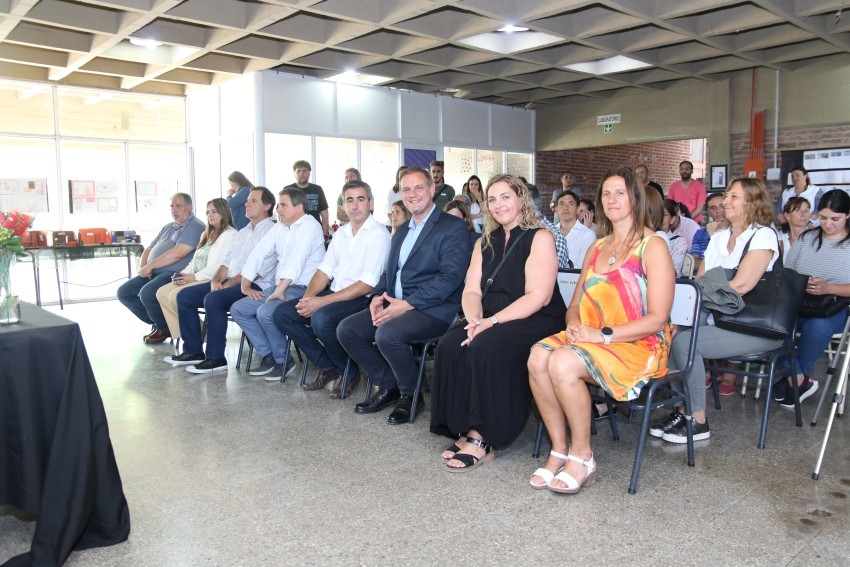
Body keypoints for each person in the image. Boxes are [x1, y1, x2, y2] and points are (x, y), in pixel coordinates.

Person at [527, 166, 674, 493]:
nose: (612, 199)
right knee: (538, 356)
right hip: (592, 338)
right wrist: (575, 325)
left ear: (635, 198)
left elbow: (658, 318)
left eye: (620, 192)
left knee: (562, 361)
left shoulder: (653, 246)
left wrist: (601, 335)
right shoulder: (597, 246)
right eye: (606, 193)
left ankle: (583, 456)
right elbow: (575, 303)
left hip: (638, 344)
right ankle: (558, 449)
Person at [430, 174, 565, 472]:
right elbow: (472, 290)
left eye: (506, 196)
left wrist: (490, 322)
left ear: (521, 199)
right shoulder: (484, 241)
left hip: (537, 317)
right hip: (490, 315)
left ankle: (483, 438)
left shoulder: (540, 236)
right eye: (492, 199)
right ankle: (463, 428)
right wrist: (474, 318)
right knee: (451, 344)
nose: (498, 204)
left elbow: (538, 297)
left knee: (486, 347)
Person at [650, 178, 781, 442]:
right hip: (719, 318)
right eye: (726, 197)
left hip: (755, 324)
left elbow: (741, 285)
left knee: (687, 343)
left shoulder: (763, 235)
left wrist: (699, 299)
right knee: (671, 335)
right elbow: (699, 283)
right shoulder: (719, 237)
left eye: (734, 197)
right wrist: (685, 313)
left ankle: (697, 419)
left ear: (753, 203)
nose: (724, 202)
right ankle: (682, 408)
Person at [337, 166, 470, 424]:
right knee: (347, 330)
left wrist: (406, 305)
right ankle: (389, 386)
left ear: (432, 190)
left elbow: (449, 279)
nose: (412, 194)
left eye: (419, 187)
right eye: (406, 189)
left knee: (388, 334)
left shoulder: (451, 227)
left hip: (434, 310)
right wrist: (378, 296)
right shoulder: (402, 229)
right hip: (395, 304)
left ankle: (411, 395)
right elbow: (391, 272)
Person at [273, 181, 391, 398]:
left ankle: (349, 371)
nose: (355, 206)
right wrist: (308, 299)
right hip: (337, 294)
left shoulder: (378, 234)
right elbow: (324, 270)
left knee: (322, 320)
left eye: (360, 199)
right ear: (343, 206)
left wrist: (321, 302)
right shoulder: (341, 233)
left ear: (371, 203)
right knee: (282, 313)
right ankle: (328, 366)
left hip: (361, 298)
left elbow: (367, 284)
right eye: (349, 200)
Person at [168, 187, 277, 373]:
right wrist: (217, 280)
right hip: (231, 279)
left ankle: (216, 358)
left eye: (253, 200)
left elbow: (258, 271)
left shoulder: (273, 231)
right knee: (185, 296)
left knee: (214, 299)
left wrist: (227, 285)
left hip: (255, 284)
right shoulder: (243, 232)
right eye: (247, 200)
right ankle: (193, 351)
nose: (246, 203)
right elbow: (227, 261)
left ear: (267, 206)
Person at [231, 187, 325, 379]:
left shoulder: (310, 225)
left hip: (305, 289)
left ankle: (283, 361)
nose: (278, 209)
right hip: (281, 287)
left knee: (265, 311)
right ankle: (269, 356)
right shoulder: (279, 227)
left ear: (299, 207)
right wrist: (245, 285)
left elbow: (296, 261)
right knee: (239, 309)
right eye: (279, 205)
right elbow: (258, 252)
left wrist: (280, 291)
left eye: (283, 205)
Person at [777, 189, 850, 407]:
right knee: (775, 326)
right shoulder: (807, 238)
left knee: (816, 327)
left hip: (836, 306)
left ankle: (792, 378)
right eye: (823, 218)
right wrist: (801, 283)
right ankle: (798, 379)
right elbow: (786, 272)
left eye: (835, 219)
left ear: (848, 215)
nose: (828, 224)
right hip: (800, 302)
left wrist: (830, 287)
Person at [117, 193, 205, 344]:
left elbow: (178, 253)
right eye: (172, 206)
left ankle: (164, 328)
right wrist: (144, 266)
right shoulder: (168, 227)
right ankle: (161, 323)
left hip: (173, 273)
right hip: (153, 271)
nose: (174, 210)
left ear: (189, 208)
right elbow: (149, 248)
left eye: (179, 206)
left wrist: (151, 265)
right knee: (124, 292)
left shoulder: (195, 226)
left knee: (147, 293)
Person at [156, 198, 238, 341]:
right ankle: (190, 334)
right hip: (195, 276)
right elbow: (195, 261)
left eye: (214, 212)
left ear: (224, 212)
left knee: (175, 296)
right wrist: (184, 274)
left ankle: (193, 338)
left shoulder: (230, 234)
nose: (210, 215)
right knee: (162, 293)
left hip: (210, 278)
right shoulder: (206, 234)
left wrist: (193, 277)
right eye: (207, 212)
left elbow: (220, 265)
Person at [285, 160, 330, 238]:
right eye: (298, 171)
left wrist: (324, 235)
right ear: (294, 173)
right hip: (294, 234)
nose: (301, 174)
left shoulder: (317, 189)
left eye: (305, 171)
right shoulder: (287, 190)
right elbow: (282, 213)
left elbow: (325, 215)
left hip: (314, 233)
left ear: (309, 173)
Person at [555, 190, 596, 268]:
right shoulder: (548, 233)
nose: (565, 207)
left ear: (577, 209)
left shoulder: (587, 235)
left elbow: (584, 268)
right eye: (561, 204)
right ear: (556, 209)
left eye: (570, 204)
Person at [690, 192, 726, 268]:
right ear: (708, 212)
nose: (718, 210)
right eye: (713, 208)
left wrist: (713, 235)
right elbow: (693, 263)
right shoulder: (700, 233)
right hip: (700, 277)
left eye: (721, 206)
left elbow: (725, 262)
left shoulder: (734, 230)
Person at [662, 199, 690, 277]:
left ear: (672, 219)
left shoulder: (679, 242)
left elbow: (674, 273)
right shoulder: (644, 238)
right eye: (657, 213)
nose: (660, 217)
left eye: (665, 215)